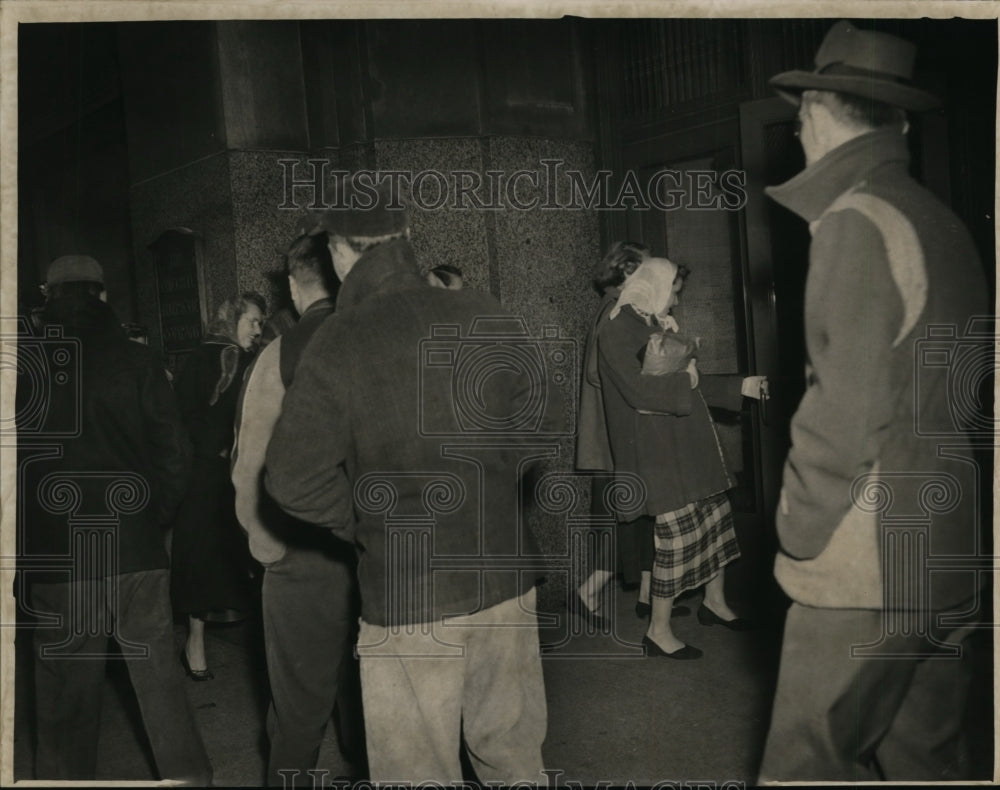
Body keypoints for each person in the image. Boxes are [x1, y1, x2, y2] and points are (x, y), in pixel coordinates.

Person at [757, 21, 988, 781]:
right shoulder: (939, 220)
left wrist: (797, 526)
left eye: (799, 121)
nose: (798, 135)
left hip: (868, 560)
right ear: (899, 122)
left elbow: (843, 414)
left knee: (807, 766)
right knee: (928, 760)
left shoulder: (855, 221)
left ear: (819, 114)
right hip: (947, 541)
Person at [265, 177, 550, 784]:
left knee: (415, 771)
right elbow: (535, 430)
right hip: (505, 583)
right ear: (409, 237)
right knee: (515, 760)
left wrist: (370, 522)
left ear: (338, 254)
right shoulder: (485, 310)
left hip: (408, 594)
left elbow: (291, 480)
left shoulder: (338, 341)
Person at [20, 255, 212, 783]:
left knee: (63, 698)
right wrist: (153, 519)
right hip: (134, 547)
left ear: (48, 298)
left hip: (60, 555)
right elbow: (176, 454)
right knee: (160, 688)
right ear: (103, 297)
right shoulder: (139, 361)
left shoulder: (24, 369)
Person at [231, 234, 364, 785]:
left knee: (297, 712)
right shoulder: (376, 339)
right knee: (377, 709)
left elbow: (249, 467)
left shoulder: (278, 355)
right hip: (381, 551)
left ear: (292, 286)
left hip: (303, 556)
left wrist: (268, 549)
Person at [597, 258, 766, 659]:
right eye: (674, 290)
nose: (675, 299)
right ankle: (657, 631)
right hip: (660, 452)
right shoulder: (617, 328)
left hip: (686, 447)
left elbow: (687, 383)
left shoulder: (651, 321)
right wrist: (685, 378)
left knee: (716, 523)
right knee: (675, 540)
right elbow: (639, 392)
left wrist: (741, 386)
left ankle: (715, 602)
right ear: (655, 284)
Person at [575, 241, 677, 624]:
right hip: (613, 436)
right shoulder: (614, 312)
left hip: (616, 434)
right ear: (630, 271)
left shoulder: (625, 309)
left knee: (640, 516)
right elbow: (598, 373)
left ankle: (648, 597)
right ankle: (587, 593)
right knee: (627, 517)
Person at [170, 291, 265, 679]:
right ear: (233, 320)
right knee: (226, 557)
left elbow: (182, 417)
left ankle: (196, 646)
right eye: (253, 321)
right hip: (221, 476)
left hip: (194, 475)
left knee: (201, 560)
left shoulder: (195, 357)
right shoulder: (235, 359)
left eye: (261, 322)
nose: (258, 330)